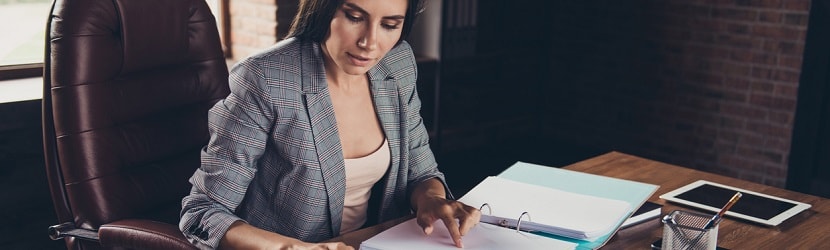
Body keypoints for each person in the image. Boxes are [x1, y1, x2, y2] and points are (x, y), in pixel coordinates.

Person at [179, 0, 481, 249]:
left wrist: (430, 199)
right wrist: (295, 249)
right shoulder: (266, 79)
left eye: (390, 25)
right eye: (353, 17)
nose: (369, 42)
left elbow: (421, 170)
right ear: (324, 9)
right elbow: (202, 213)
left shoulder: (397, 64)